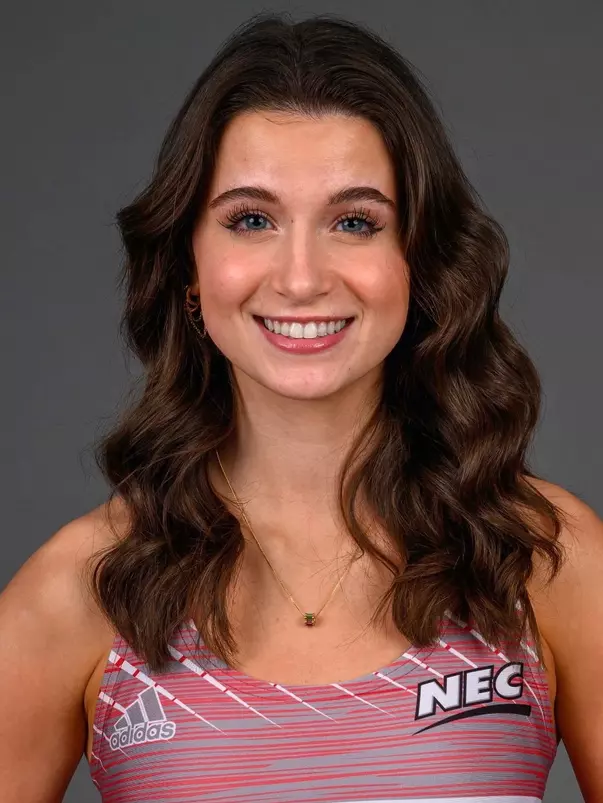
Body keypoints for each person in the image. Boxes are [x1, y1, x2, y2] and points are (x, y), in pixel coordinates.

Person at [1, 11, 602, 803]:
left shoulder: (539, 558)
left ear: (419, 260)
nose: (300, 277)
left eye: (354, 222)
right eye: (251, 220)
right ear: (188, 266)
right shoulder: (86, 588)